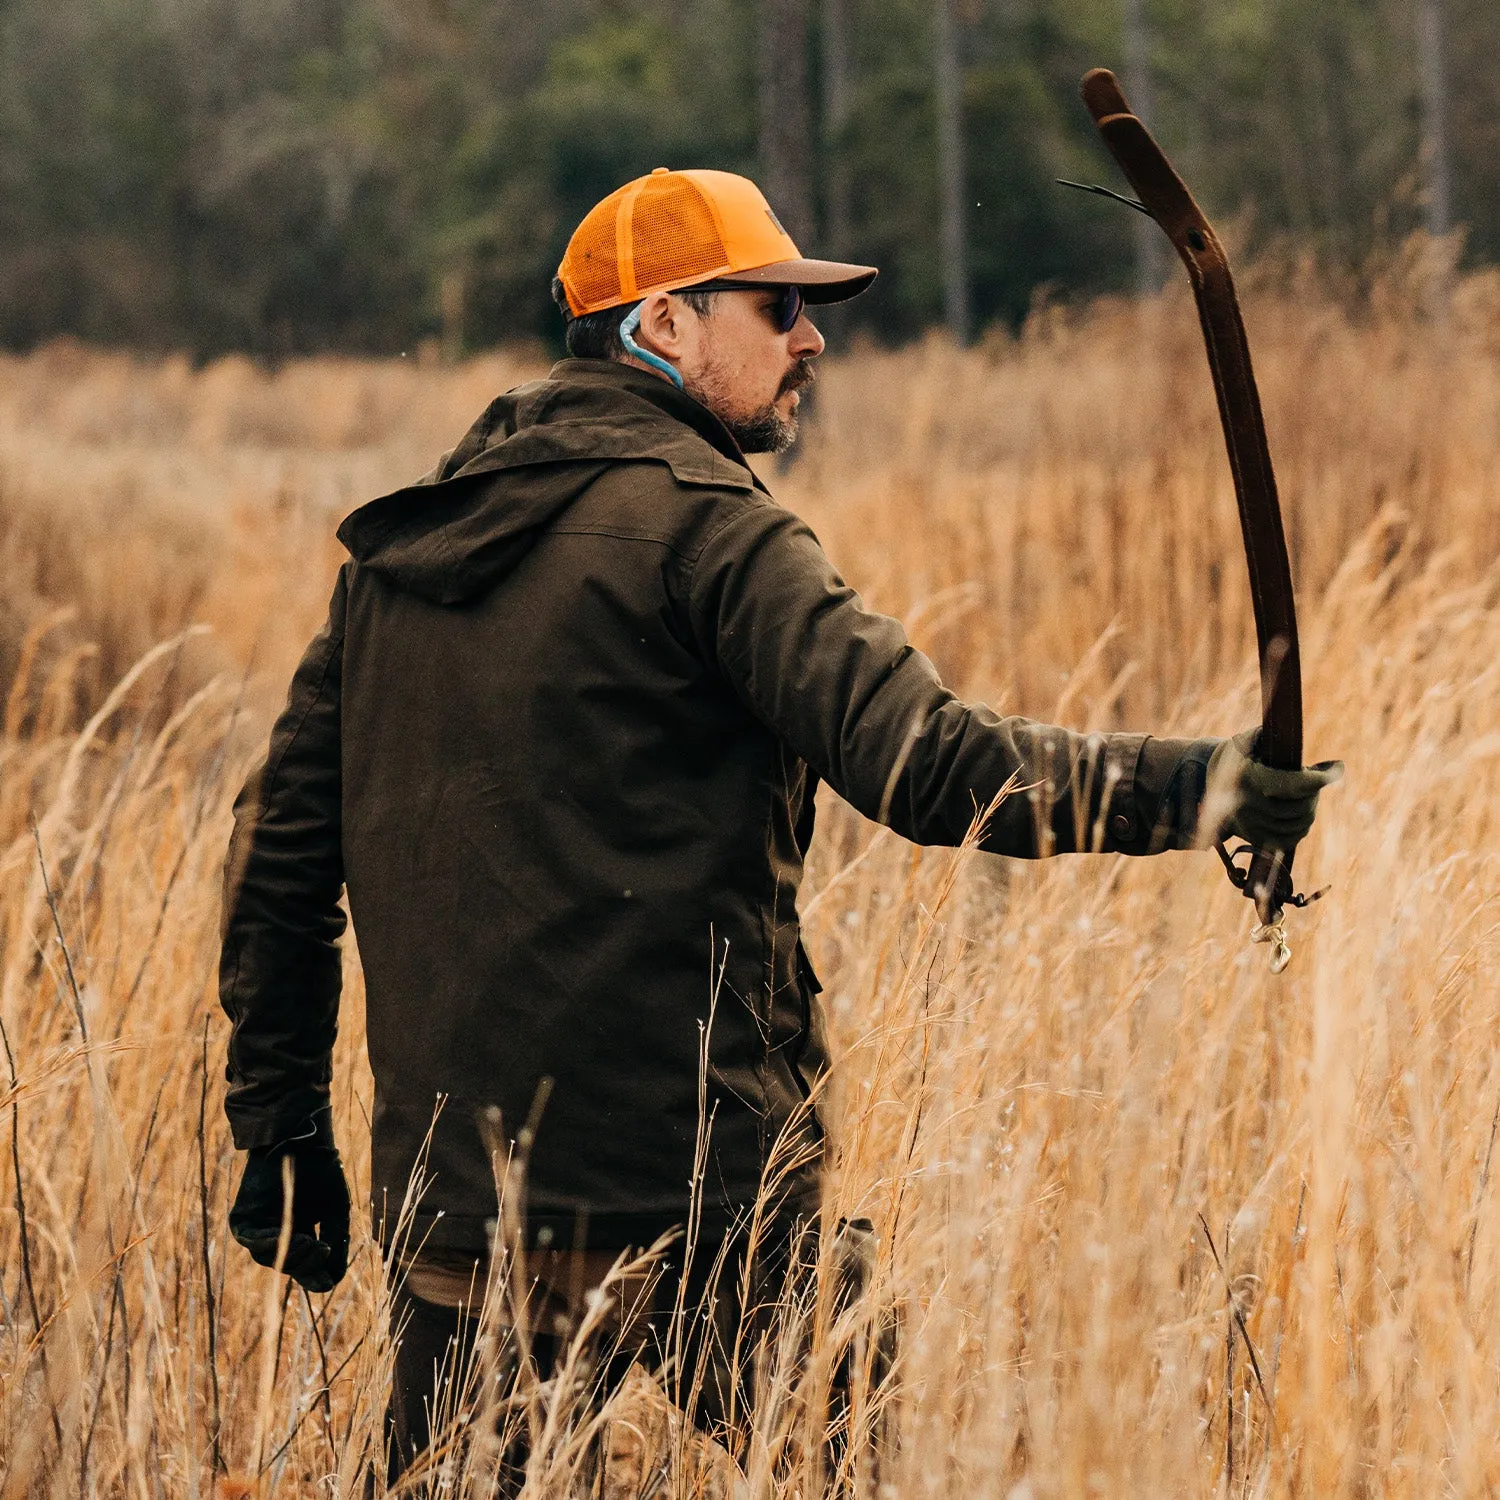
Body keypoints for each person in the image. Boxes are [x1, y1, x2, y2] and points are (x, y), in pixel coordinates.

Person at [219, 167, 1341, 1485]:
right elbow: (936, 766)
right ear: (664, 327)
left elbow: (278, 865)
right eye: (777, 306)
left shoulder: (399, 557)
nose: (812, 338)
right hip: (708, 1220)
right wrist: (1198, 786)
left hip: (465, 1226)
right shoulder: (714, 533)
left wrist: (281, 1126)